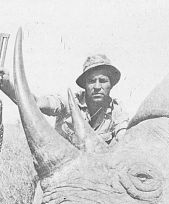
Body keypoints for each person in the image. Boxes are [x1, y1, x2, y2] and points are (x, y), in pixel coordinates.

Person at [0, 53, 129, 145]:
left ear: (111, 84)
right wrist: (7, 85)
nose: (96, 86)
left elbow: (124, 140)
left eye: (102, 81)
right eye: (91, 81)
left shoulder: (117, 110)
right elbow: (36, 103)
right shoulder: (69, 102)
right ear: (84, 85)